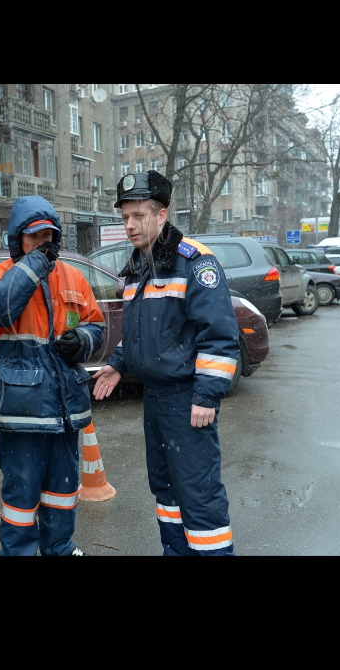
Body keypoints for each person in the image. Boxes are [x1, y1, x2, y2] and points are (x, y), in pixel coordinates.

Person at [93, 171, 239, 556]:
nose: (129, 225)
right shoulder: (139, 266)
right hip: (156, 400)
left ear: (162, 215)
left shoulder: (194, 263)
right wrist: (120, 363)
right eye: (124, 217)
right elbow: (144, 331)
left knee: (198, 493)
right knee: (166, 493)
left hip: (187, 401)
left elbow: (220, 336)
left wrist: (206, 397)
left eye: (138, 215)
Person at [0, 195, 105, 556]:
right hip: (23, 410)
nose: (42, 245)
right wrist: (34, 264)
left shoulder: (73, 276)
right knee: (21, 497)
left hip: (64, 406)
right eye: (33, 238)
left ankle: (59, 549)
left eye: (48, 238)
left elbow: (96, 325)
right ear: (17, 240)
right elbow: (1, 308)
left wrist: (82, 340)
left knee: (63, 492)